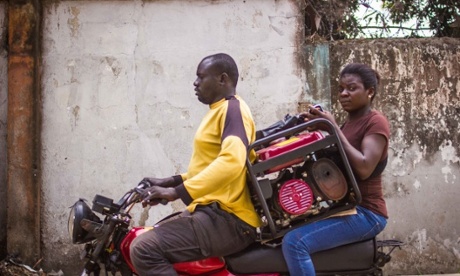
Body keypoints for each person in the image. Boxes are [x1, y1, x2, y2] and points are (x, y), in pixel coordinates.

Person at [129, 53, 261, 275]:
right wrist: (170, 181)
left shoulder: (233, 111)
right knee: (148, 234)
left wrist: (176, 192)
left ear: (222, 79)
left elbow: (231, 162)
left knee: (143, 248)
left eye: (201, 77)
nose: (195, 83)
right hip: (212, 212)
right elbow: (209, 165)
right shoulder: (219, 110)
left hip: (228, 219)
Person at [282, 63, 390, 275]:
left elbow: (364, 168)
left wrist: (332, 127)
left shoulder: (376, 122)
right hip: (346, 206)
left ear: (370, 92)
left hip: (367, 212)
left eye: (351, 88)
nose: (343, 94)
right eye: (341, 88)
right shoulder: (348, 124)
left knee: (295, 243)